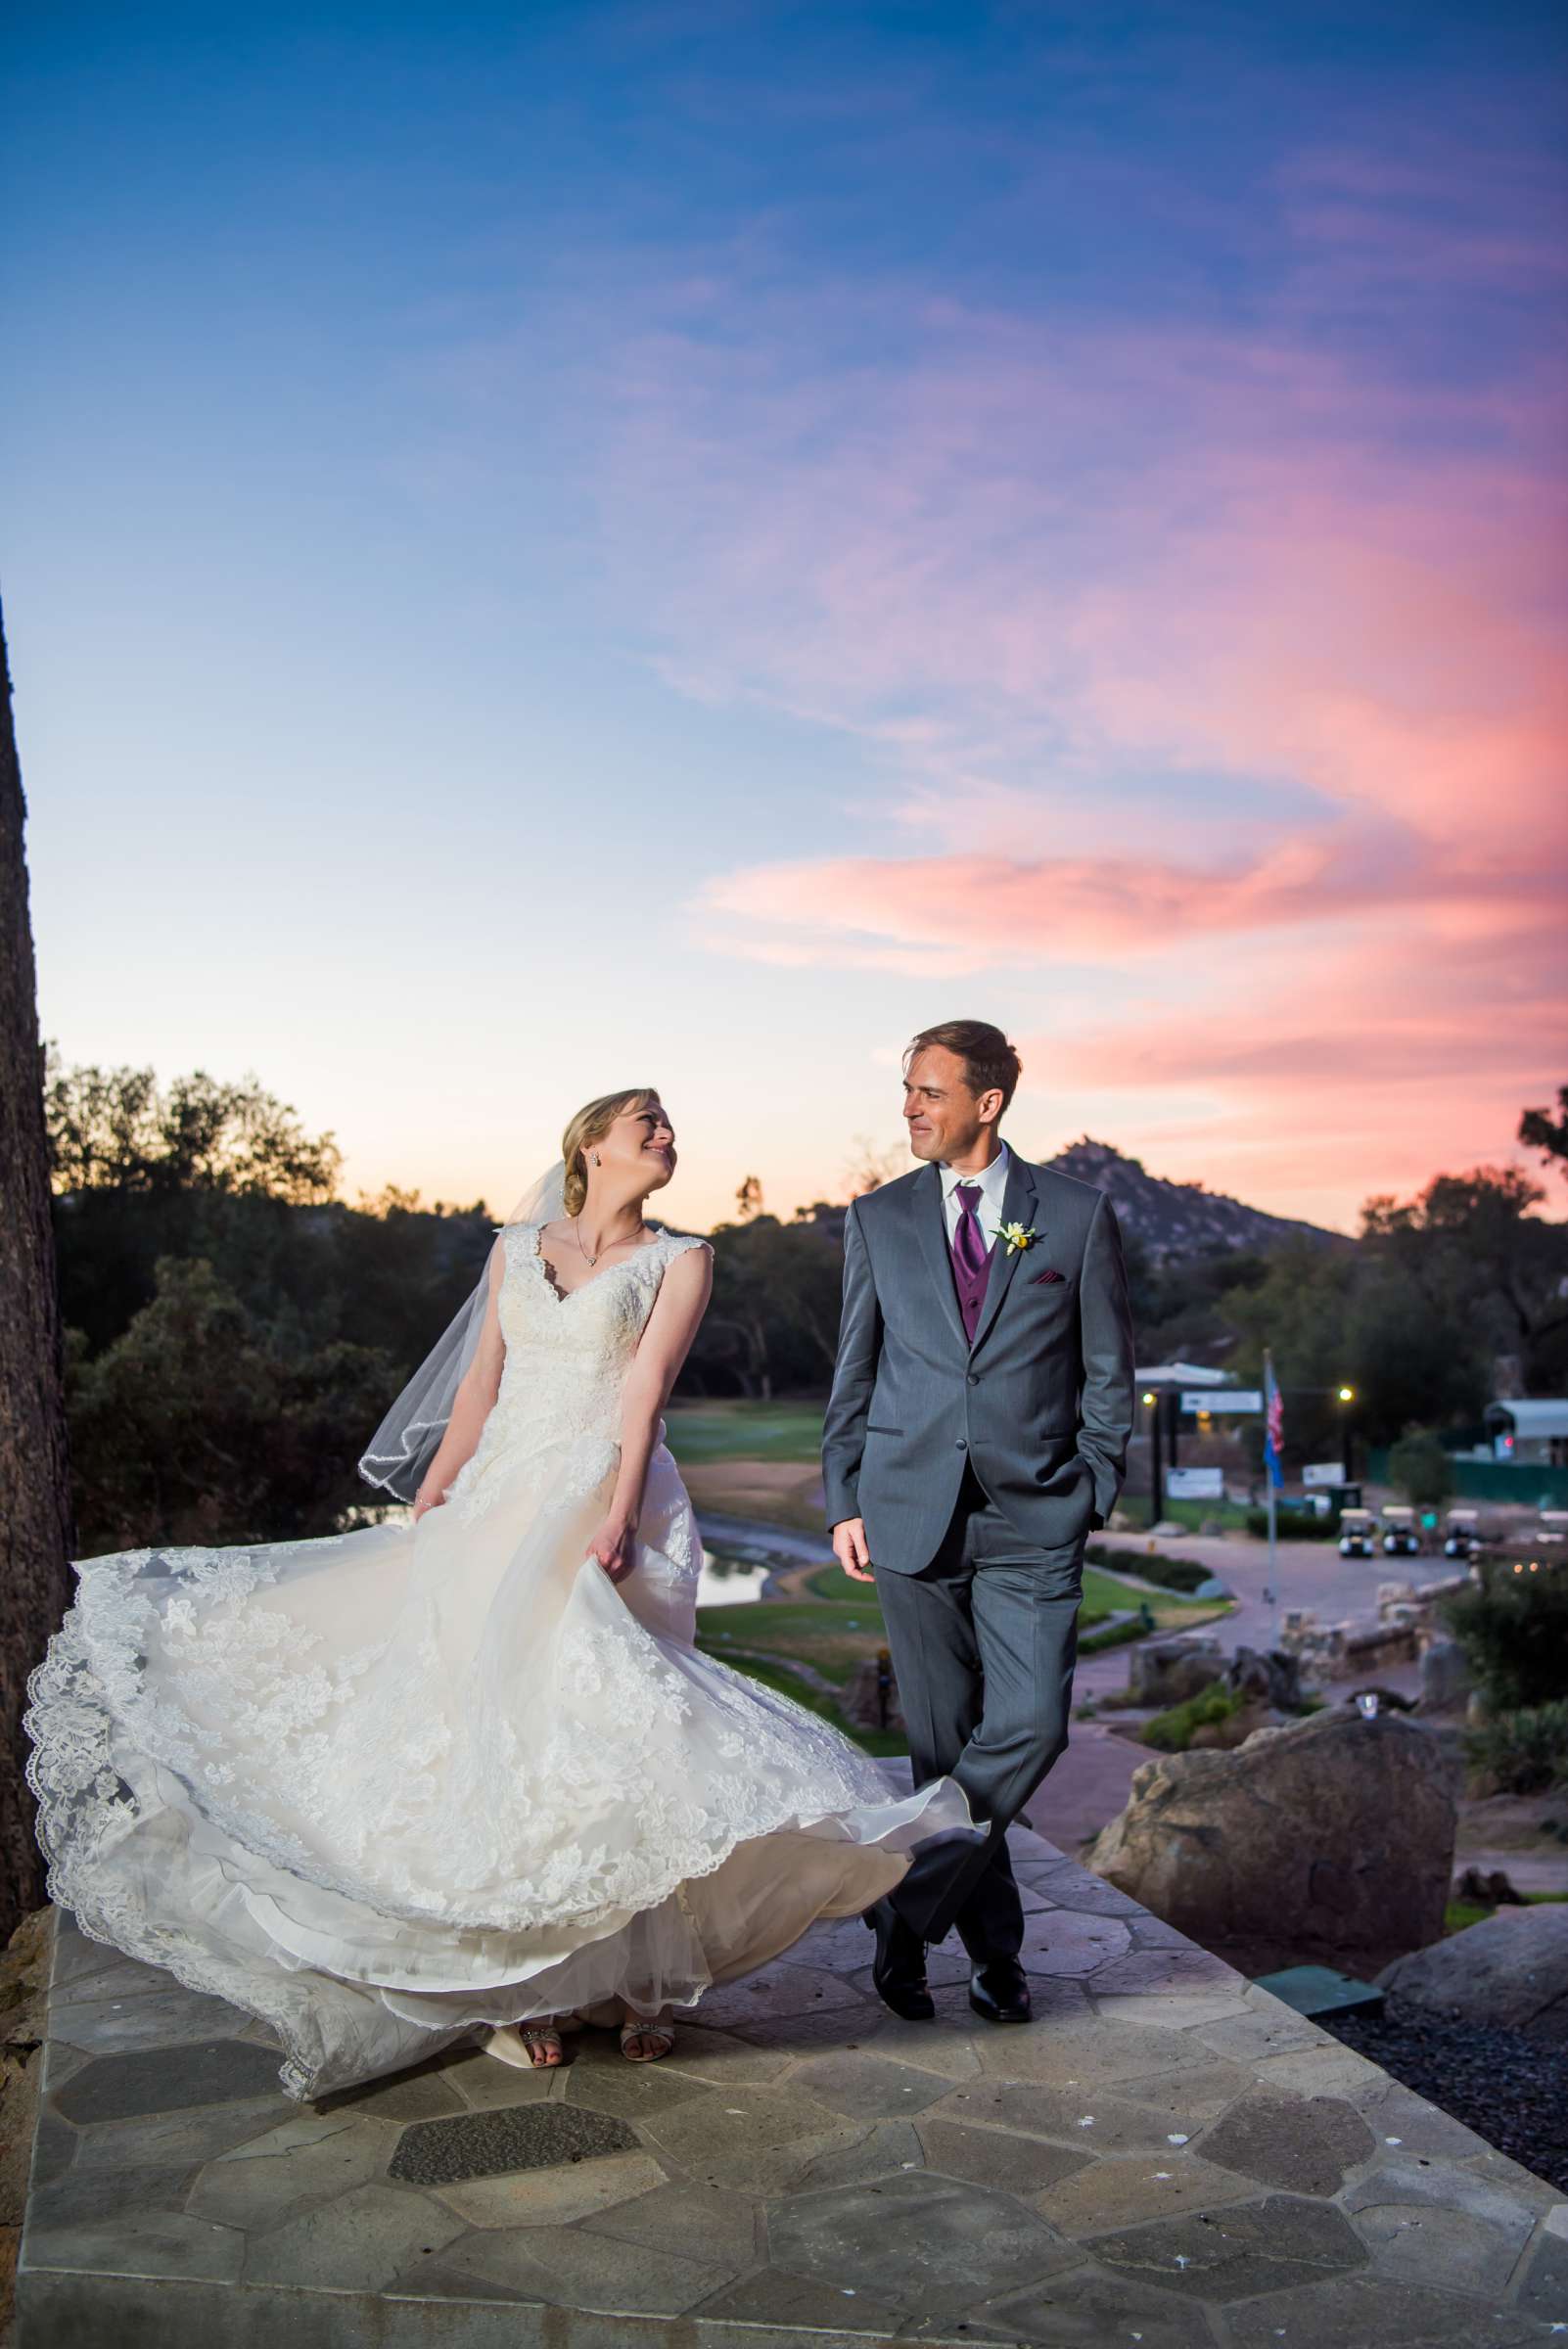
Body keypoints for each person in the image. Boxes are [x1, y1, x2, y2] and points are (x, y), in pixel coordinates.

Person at [26, 1087, 968, 2099]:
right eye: (644, 1122)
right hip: (498, 1495)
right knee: (505, 1721)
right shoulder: (515, 1249)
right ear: (591, 1145)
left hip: (606, 1491)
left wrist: (614, 1510)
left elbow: (643, 1390)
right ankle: (534, 1988)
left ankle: (639, 1985)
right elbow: (481, 1383)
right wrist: (437, 1491)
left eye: (669, 1127)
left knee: (617, 1730)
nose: (665, 1135)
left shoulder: (681, 1258)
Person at [823, 1021, 1134, 2027]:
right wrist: (845, 1496)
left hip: (1035, 1519)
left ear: (987, 1103)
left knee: (1033, 1725)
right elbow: (855, 1371)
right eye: (904, 1090)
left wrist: (1092, 1482)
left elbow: (1108, 1375)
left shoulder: (1077, 1217)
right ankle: (998, 1958)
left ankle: (901, 1914)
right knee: (943, 1756)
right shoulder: (876, 1219)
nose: (908, 1108)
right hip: (910, 1518)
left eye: (927, 1091)